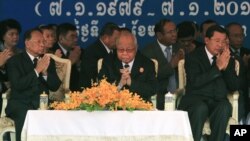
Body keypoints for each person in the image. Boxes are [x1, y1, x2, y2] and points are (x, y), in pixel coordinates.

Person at [178, 25, 239, 141]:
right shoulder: (193, 57)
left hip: (217, 101)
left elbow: (234, 86)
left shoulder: (227, 59)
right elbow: (195, 82)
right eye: (217, 41)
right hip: (196, 100)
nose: (220, 45)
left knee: (225, 106)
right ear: (206, 40)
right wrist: (217, 67)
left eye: (223, 42)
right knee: (200, 108)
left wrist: (225, 69)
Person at [5, 28, 61, 141]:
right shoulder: (14, 61)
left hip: (43, 103)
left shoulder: (47, 60)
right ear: (27, 43)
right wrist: (37, 70)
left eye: (43, 42)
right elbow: (18, 85)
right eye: (38, 42)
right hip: (20, 103)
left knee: (61, 115)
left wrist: (45, 73)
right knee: (26, 116)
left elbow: (55, 86)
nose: (42, 45)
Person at [98, 31, 157, 102]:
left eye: (129, 50)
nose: (125, 53)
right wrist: (120, 84)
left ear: (136, 48)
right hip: (114, 107)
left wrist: (131, 83)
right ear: (116, 48)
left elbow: (153, 89)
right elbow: (101, 88)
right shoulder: (109, 62)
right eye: (121, 50)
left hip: (139, 107)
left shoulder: (147, 63)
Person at [142, 19, 184, 110]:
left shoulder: (180, 48)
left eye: (175, 30)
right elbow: (148, 77)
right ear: (159, 35)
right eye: (170, 32)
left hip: (180, 96)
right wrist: (171, 65)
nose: (174, 34)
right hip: (158, 97)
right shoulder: (148, 52)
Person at [80, 22, 120, 89]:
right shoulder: (91, 52)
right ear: (106, 38)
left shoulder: (116, 51)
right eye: (116, 39)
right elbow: (93, 77)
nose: (119, 42)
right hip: (92, 91)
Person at [226, 22, 250, 123]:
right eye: (236, 36)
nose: (240, 38)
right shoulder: (223, 54)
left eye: (242, 35)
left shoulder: (248, 52)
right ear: (227, 37)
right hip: (232, 93)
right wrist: (243, 66)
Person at [0, 18, 23, 113]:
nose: (15, 37)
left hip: (18, 89)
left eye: (17, 34)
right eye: (11, 34)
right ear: (3, 36)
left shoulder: (20, 53)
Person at [51, 23, 82, 91]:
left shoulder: (78, 51)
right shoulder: (52, 52)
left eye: (76, 36)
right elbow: (54, 77)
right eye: (72, 36)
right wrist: (70, 62)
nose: (75, 40)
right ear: (61, 38)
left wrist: (78, 64)